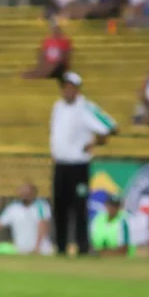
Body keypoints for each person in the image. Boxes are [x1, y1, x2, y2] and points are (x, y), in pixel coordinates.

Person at [50, 72, 117, 256]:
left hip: (78, 166)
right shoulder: (57, 107)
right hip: (60, 165)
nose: (67, 91)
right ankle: (61, 247)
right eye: (65, 87)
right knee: (60, 207)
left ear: (77, 89)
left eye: (71, 87)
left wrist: (94, 143)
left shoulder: (86, 107)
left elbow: (111, 126)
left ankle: (82, 247)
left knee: (79, 207)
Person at [0, 183, 53, 255]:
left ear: (33, 193)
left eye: (27, 191)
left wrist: (37, 247)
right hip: (20, 249)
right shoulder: (13, 207)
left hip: (42, 250)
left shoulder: (41, 205)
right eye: (22, 191)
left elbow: (43, 225)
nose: (25, 194)